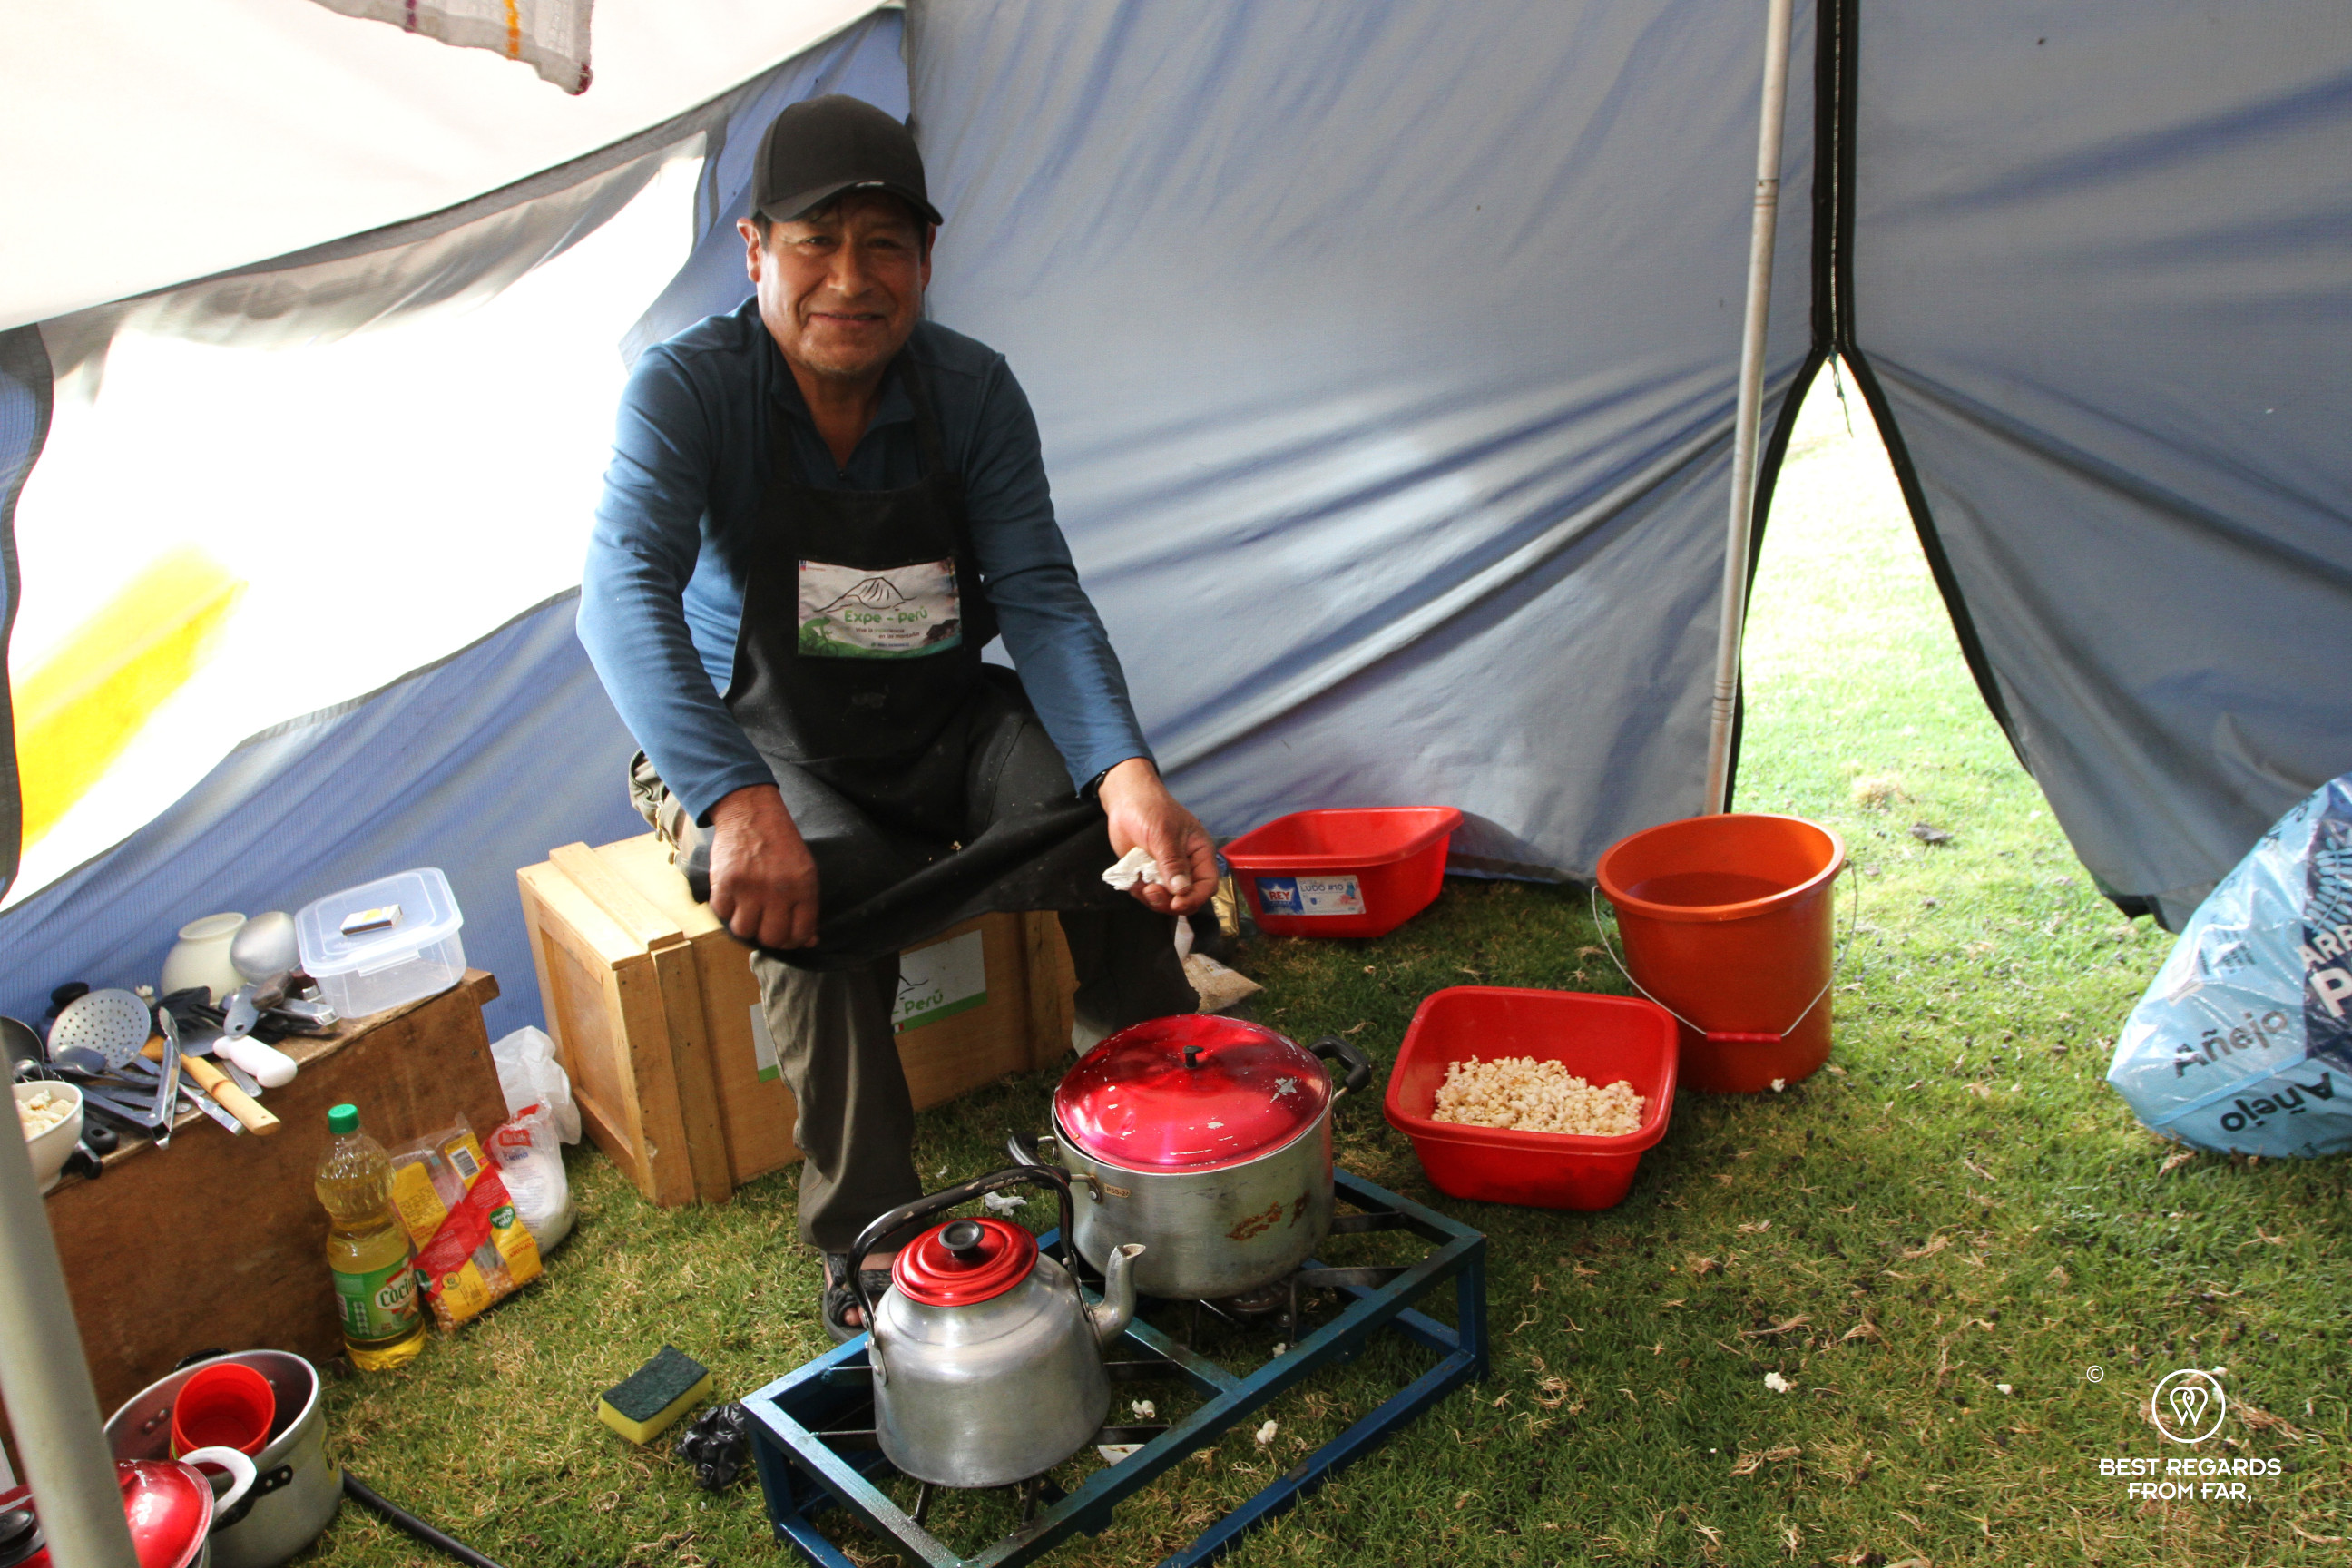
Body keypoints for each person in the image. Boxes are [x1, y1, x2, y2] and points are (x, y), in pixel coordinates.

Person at [578, 95, 1214, 1337]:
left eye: (887, 247)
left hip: (937, 719)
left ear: (926, 261)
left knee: (1106, 840)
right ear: (756, 250)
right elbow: (619, 603)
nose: (851, 281)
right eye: (818, 243)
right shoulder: (685, 393)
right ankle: (873, 1241)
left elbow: (1035, 592)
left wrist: (1126, 773)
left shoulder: (974, 392)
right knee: (817, 891)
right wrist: (735, 797)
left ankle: (1146, 1138)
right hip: (752, 737)